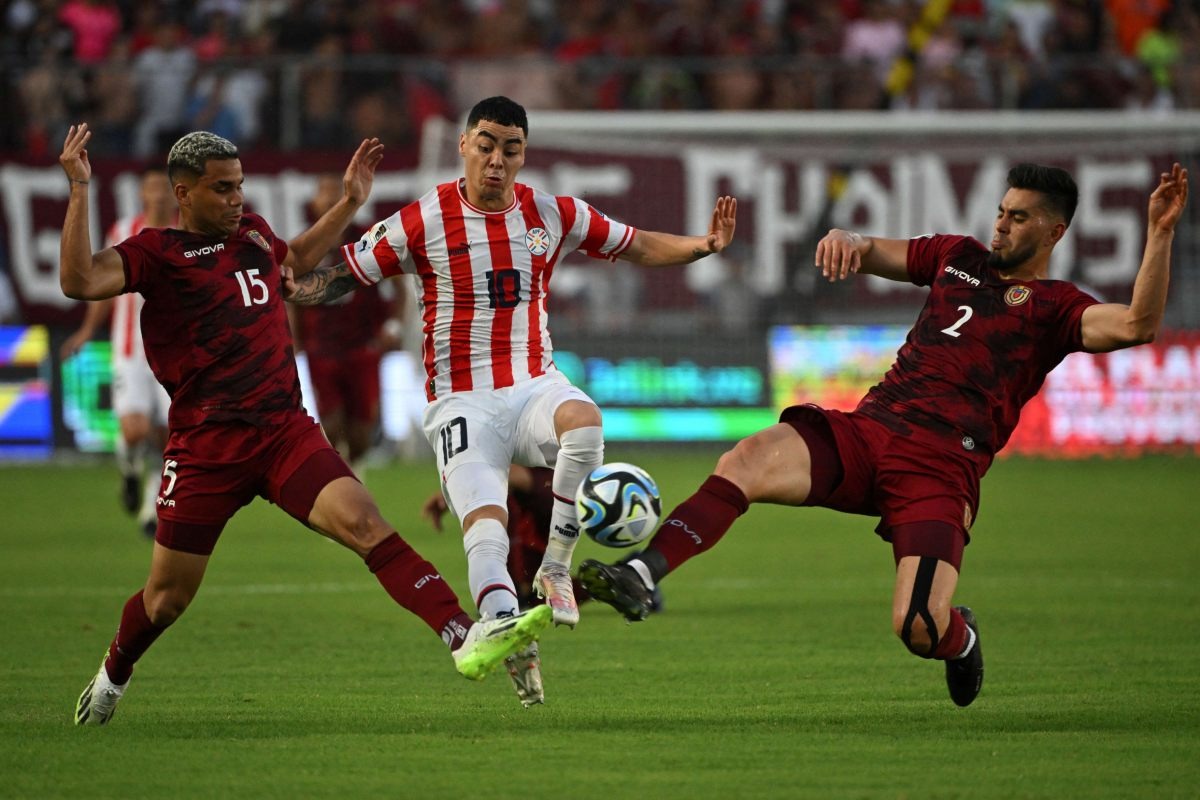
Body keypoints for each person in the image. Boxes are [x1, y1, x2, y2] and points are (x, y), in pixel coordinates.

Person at [578, 162, 1189, 708]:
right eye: (1001, 212)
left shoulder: (1056, 307)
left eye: (1019, 218)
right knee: (749, 456)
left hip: (942, 469)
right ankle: (642, 572)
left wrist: (1159, 232)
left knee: (919, 624)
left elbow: (1137, 324)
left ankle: (961, 638)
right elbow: (872, 250)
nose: (1001, 226)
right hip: (873, 431)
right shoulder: (957, 257)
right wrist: (849, 239)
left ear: (1055, 233)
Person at [58, 123, 552, 727]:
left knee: (369, 526)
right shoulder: (155, 253)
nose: (237, 198)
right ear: (183, 193)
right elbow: (79, 281)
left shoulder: (253, 234)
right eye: (221, 189)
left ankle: (464, 636)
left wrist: (349, 203)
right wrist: (81, 188)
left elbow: (298, 260)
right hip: (206, 449)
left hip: (283, 431)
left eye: (239, 185)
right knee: (166, 600)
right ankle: (113, 673)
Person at [284, 95, 736, 707]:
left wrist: (703, 246)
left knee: (585, 423)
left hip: (532, 384)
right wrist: (285, 279)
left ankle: (555, 566)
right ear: (465, 145)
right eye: (487, 144)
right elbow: (333, 278)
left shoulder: (551, 213)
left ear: (524, 155)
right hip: (461, 402)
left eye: (511, 148)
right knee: (486, 530)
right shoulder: (424, 219)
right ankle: (507, 633)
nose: (497, 159)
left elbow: (636, 244)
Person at [61, 166, 175, 538]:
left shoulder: (187, 234)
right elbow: (106, 288)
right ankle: (129, 471)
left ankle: (150, 506)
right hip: (131, 351)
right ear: (142, 193)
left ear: (175, 194)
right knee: (134, 429)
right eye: (152, 187)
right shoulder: (124, 232)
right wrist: (86, 331)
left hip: (174, 354)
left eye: (164, 188)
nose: (158, 194)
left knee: (169, 435)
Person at [288, 174, 406, 474]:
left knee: (361, 433)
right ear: (313, 202)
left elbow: (398, 283)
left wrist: (393, 324)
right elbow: (289, 295)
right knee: (331, 422)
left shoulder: (367, 240)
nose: (328, 200)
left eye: (334, 194)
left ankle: (357, 466)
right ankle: (344, 481)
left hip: (362, 345)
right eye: (323, 193)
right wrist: (293, 340)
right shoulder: (305, 247)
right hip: (321, 348)